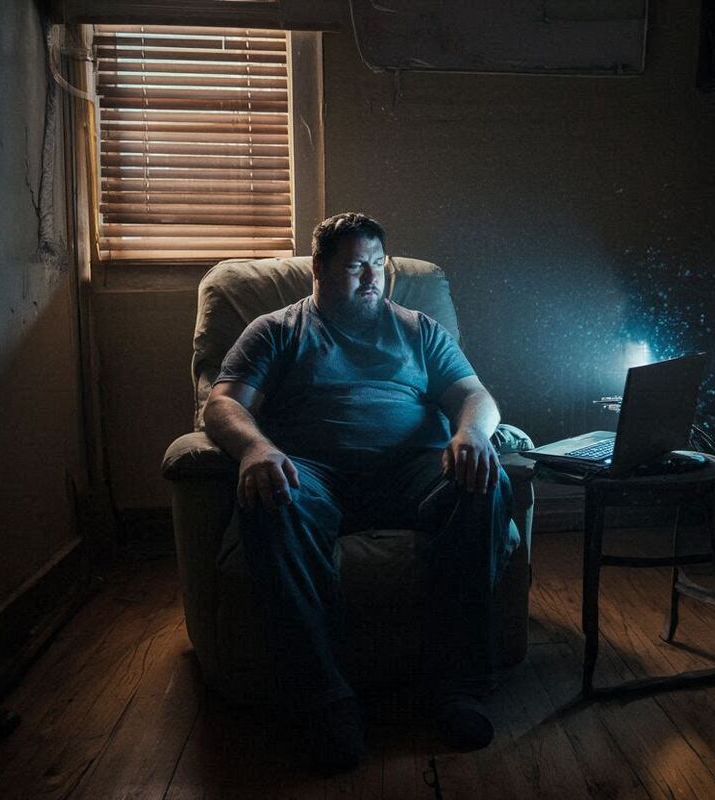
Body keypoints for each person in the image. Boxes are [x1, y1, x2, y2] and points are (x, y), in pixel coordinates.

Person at [203, 212, 514, 774]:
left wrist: (470, 432)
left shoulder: (419, 329)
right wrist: (254, 449)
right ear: (319, 269)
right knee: (270, 501)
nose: (371, 279)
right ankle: (323, 703)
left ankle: (458, 689)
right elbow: (224, 403)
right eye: (354, 267)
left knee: (486, 485)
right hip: (312, 472)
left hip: (410, 470)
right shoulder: (277, 329)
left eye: (377, 266)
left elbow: (476, 395)